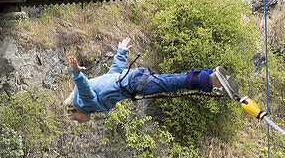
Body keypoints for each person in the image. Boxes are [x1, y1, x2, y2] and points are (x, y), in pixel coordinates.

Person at [65, 40, 238, 122]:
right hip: (132, 79)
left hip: (132, 83)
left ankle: (209, 81)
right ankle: (211, 74)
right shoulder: (90, 103)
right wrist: (121, 53)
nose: (78, 121)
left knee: (172, 84)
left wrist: (76, 72)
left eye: (75, 119)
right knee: (170, 81)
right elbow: (114, 73)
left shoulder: (84, 102)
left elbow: (84, 87)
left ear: (75, 110)